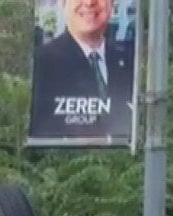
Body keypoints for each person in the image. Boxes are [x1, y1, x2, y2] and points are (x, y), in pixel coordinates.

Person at [28, 0, 136, 140]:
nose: (90, 2)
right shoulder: (43, 62)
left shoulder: (129, 60)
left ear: (111, 4)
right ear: (63, 4)